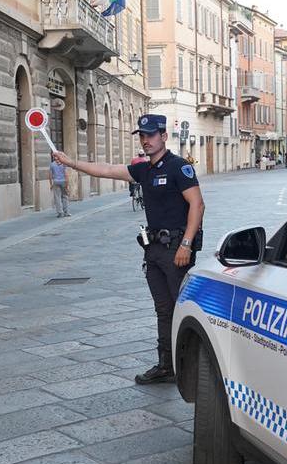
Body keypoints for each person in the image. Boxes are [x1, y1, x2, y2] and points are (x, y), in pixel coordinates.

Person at [53, 114, 205, 384]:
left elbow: (197, 205)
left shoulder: (179, 167)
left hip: (177, 250)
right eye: (142, 136)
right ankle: (166, 365)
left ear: (163, 136)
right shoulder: (143, 170)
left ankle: (194, 367)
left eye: (150, 135)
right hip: (154, 250)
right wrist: (70, 162)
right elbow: (107, 170)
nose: (145, 140)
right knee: (163, 309)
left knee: (184, 308)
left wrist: (186, 244)